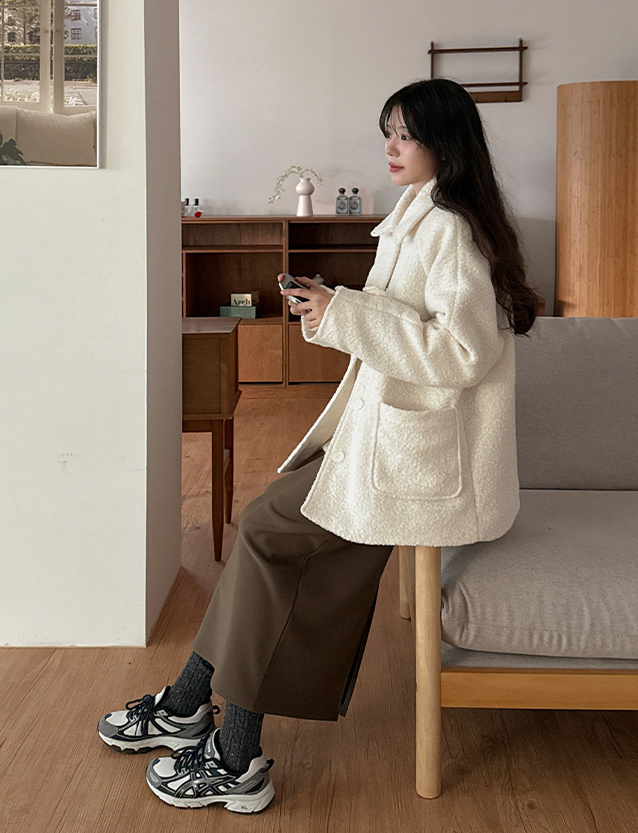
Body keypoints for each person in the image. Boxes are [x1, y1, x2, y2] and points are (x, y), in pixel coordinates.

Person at [97, 78, 542, 813]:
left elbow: (463, 352)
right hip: (389, 441)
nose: (391, 147)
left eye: (405, 134)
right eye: (388, 132)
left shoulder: (450, 229)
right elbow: (407, 322)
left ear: (445, 142)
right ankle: (187, 707)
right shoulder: (419, 214)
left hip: (418, 461)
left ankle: (233, 754)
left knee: (267, 534)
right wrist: (335, 308)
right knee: (266, 530)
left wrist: (346, 312)